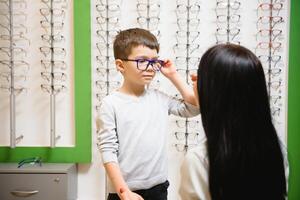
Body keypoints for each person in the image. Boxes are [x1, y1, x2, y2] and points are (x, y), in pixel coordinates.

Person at [96, 28, 199, 200]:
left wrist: (173, 75)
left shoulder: (159, 98)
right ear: (121, 65)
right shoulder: (111, 104)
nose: (150, 68)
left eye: (154, 61)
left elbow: (194, 107)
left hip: (158, 188)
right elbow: (108, 150)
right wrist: (124, 192)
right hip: (124, 191)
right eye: (142, 61)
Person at [179, 44, 289, 200]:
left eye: (199, 78)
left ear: (213, 93)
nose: (195, 84)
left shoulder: (199, 160)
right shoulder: (277, 150)